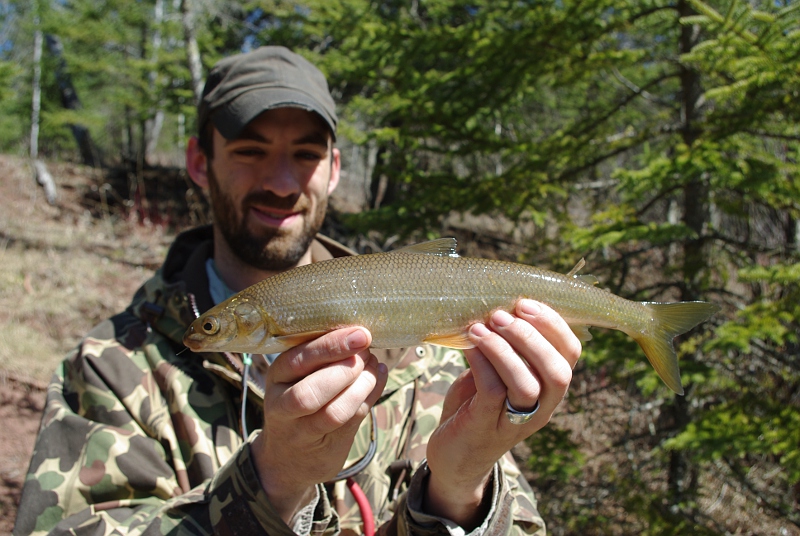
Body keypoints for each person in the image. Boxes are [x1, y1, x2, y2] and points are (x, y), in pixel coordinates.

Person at [14, 46, 581, 536]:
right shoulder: (109, 369)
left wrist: (460, 490)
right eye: (249, 150)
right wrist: (272, 482)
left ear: (333, 168)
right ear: (198, 160)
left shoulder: (431, 359)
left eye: (305, 154)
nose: (282, 182)